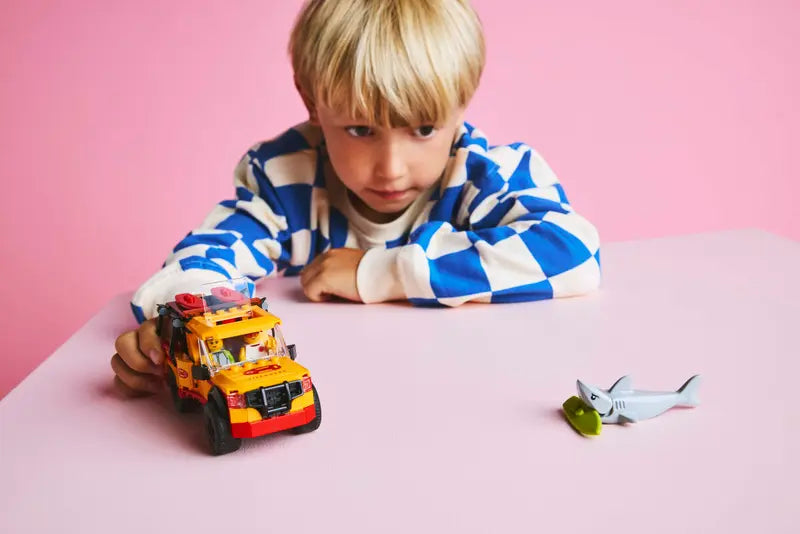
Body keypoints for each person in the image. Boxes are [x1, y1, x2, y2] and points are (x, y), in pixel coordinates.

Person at [110, 0, 600, 396]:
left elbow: (573, 251)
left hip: (468, 394)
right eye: (360, 130)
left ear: (463, 102)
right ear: (311, 101)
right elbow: (207, 254)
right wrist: (186, 323)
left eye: (423, 130)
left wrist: (380, 272)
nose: (391, 168)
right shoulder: (288, 180)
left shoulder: (482, 175)